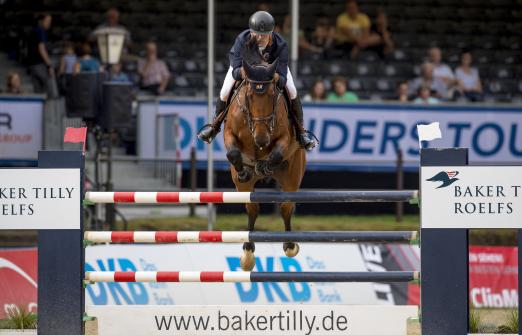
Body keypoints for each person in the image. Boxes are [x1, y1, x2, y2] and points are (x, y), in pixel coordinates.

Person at [197, 11, 317, 150]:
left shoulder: (281, 44)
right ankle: (214, 126)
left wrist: (274, 75)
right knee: (224, 91)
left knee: (293, 91)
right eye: (256, 33)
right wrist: (249, 71)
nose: (260, 37)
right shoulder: (242, 39)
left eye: (264, 34)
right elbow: (236, 72)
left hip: (272, 72)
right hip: (245, 69)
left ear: (271, 32)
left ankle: (301, 131)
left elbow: (282, 78)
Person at [27, 13, 53, 95]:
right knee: (49, 90)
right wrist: (49, 65)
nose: (49, 23)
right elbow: (41, 49)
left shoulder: (33, 31)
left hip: (32, 65)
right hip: (40, 65)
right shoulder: (40, 31)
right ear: (40, 21)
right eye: (47, 21)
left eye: (50, 21)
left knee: (38, 93)